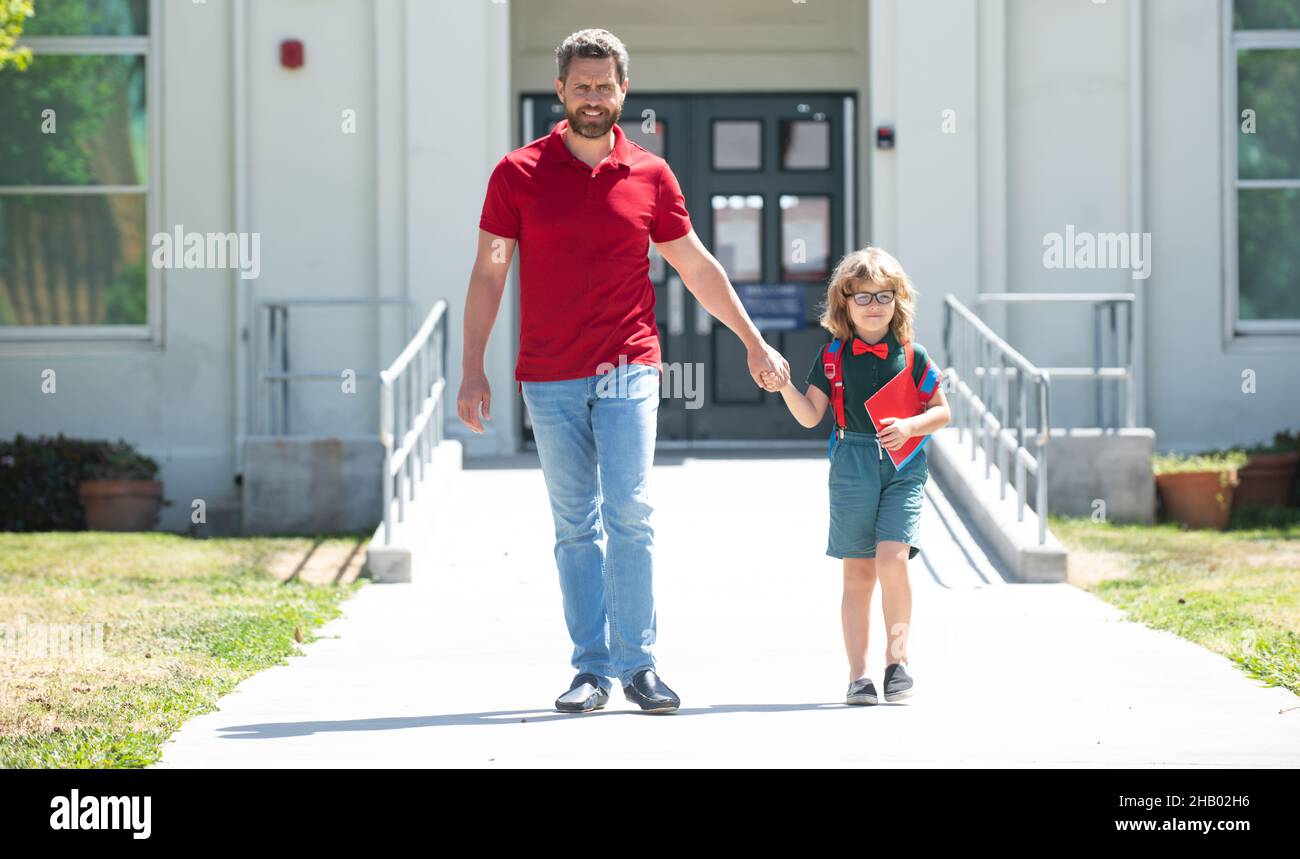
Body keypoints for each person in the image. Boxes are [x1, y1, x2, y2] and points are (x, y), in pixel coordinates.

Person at [458, 28, 790, 714]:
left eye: (604, 86)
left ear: (623, 90)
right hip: (547, 374)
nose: (592, 98)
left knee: (630, 510)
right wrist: (472, 366)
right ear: (559, 90)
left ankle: (639, 665)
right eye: (580, 86)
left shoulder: (650, 174)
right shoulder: (516, 174)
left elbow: (697, 266)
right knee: (574, 522)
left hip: (628, 367)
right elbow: (490, 276)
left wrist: (754, 343)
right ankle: (591, 669)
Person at [760, 247, 950, 705]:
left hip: (903, 463)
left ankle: (897, 661)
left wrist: (909, 425)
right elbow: (810, 416)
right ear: (843, 303)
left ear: (898, 300)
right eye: (861, 297)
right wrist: (784, 383)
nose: (872, 305)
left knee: (893, 559)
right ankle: (859, 675)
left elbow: (942, 413)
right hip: (851, 463)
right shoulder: (831, 357)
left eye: (883, 296)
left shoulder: (913, 355)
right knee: (859, 574)